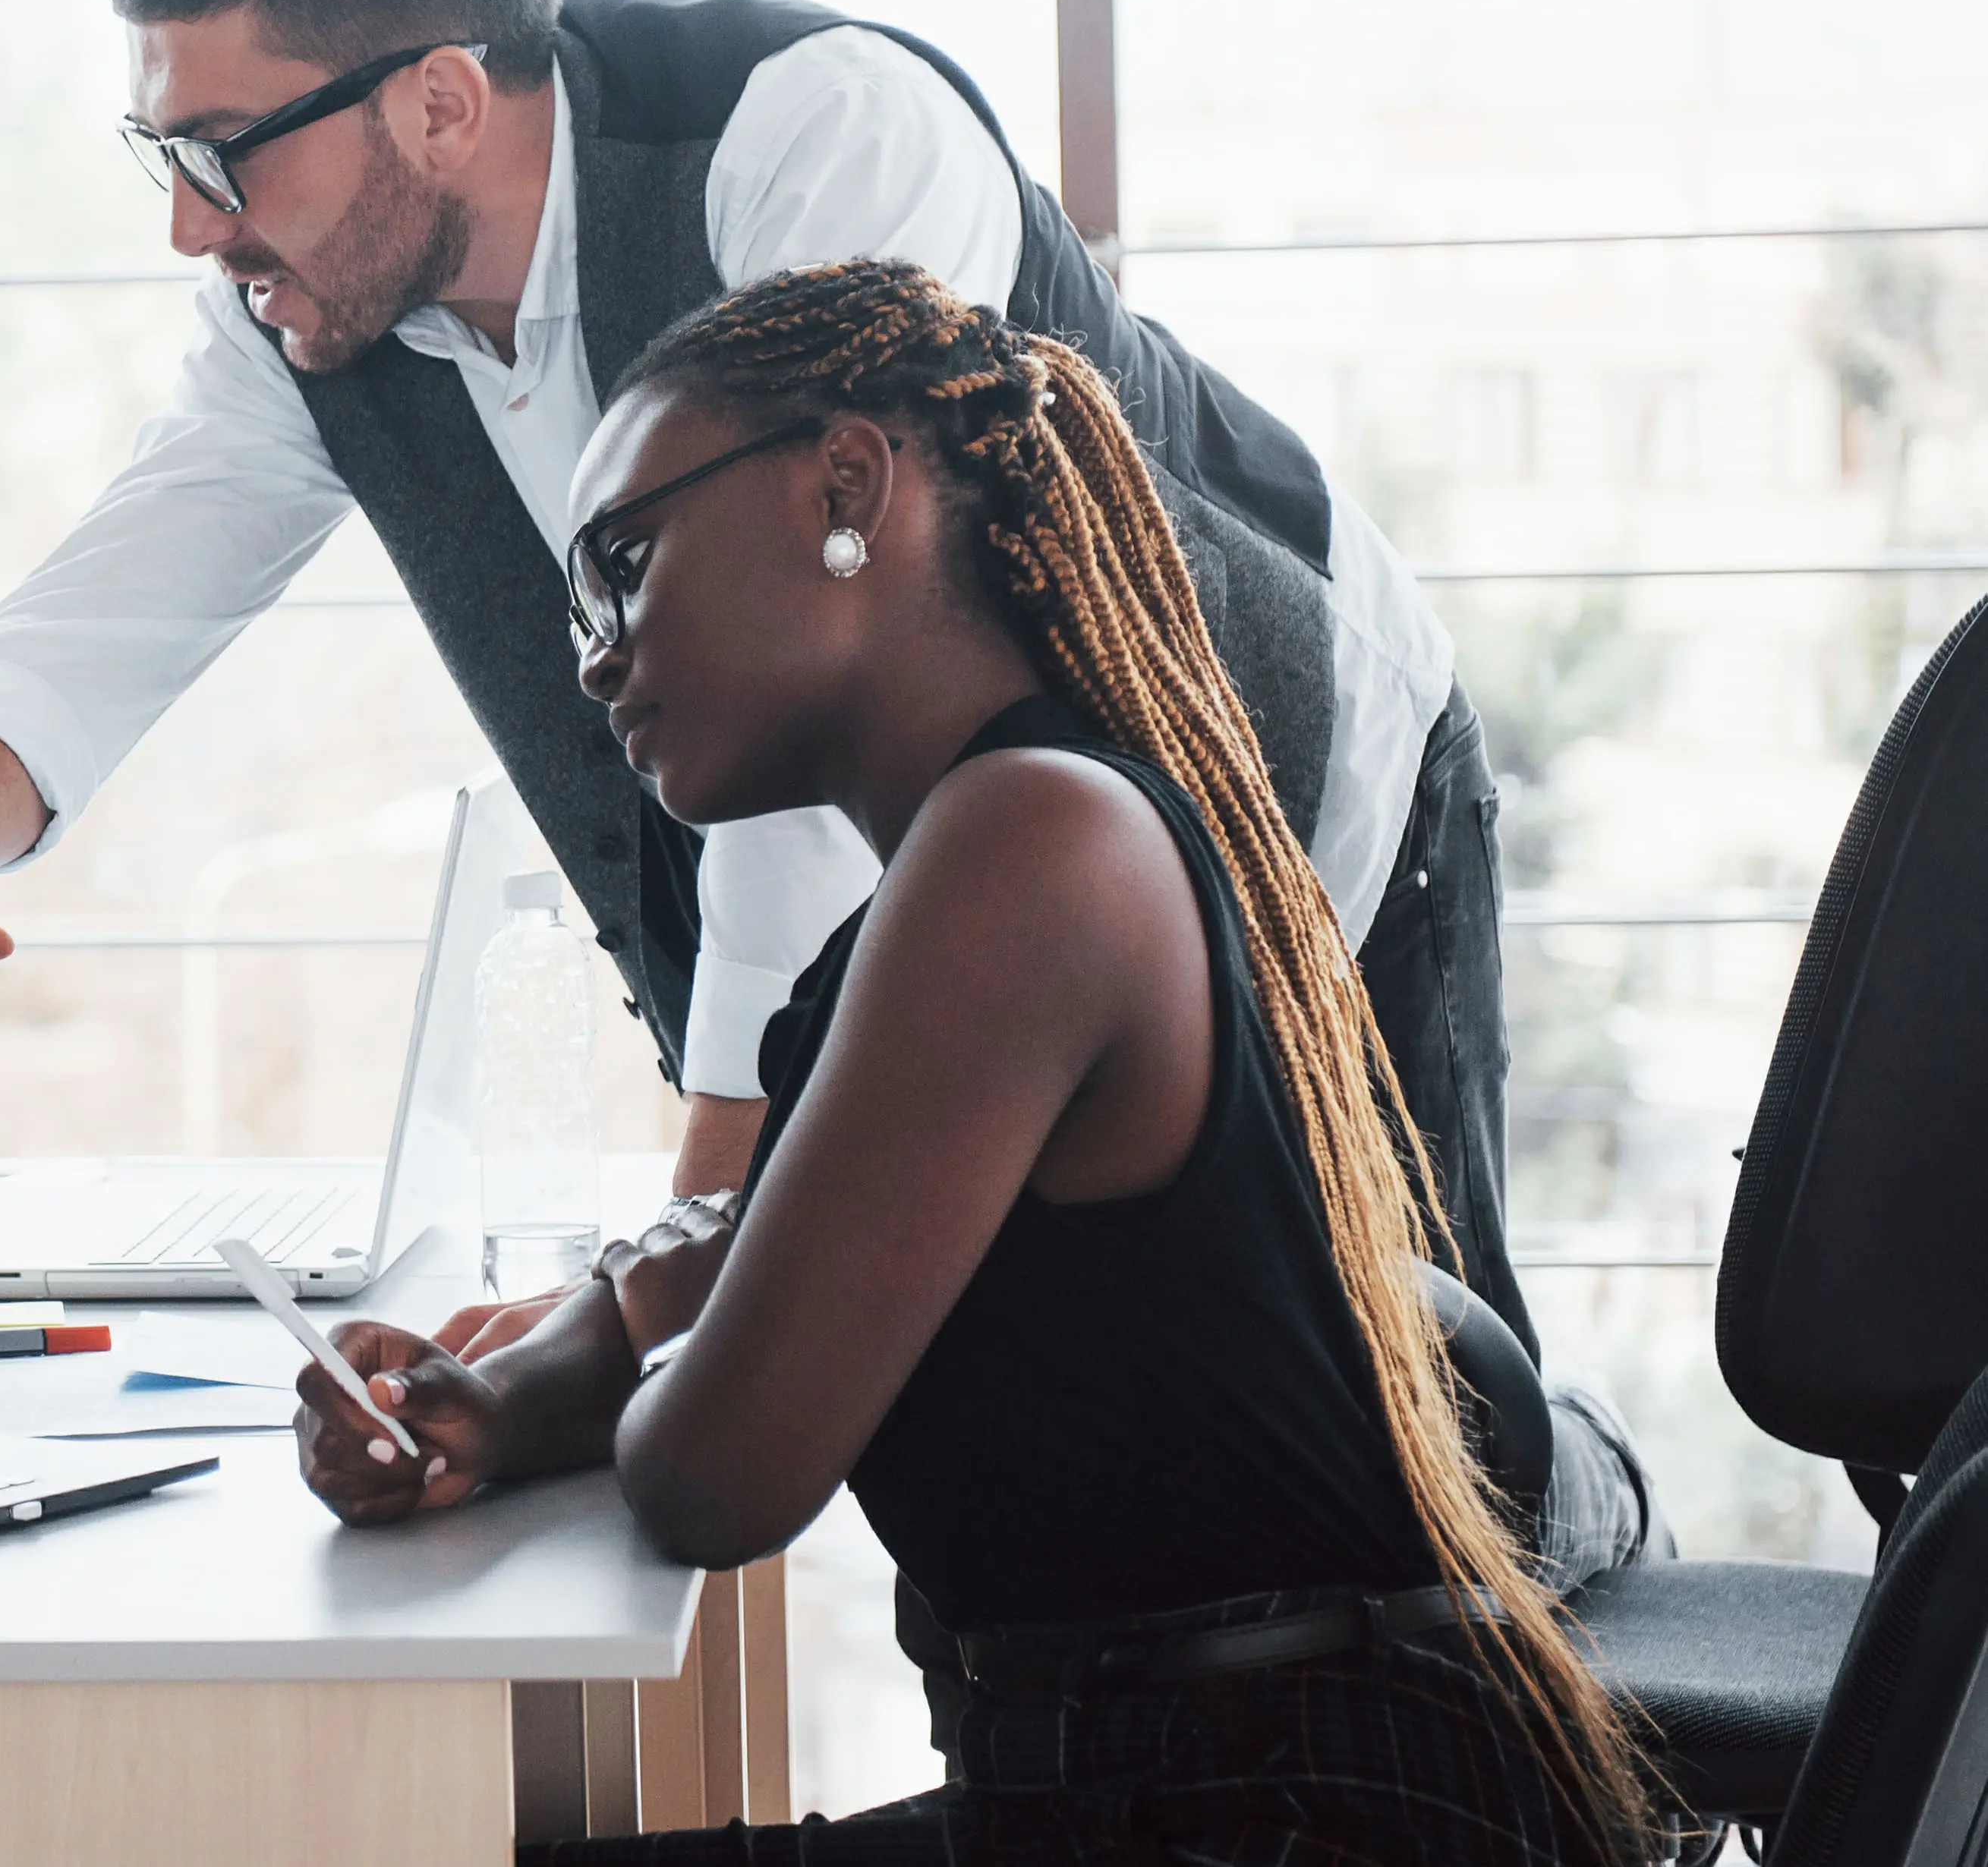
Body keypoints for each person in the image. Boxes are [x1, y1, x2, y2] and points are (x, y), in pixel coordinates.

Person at [0, 0, 1618, 1498]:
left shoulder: (809, 134)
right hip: (958, 961)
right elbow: (127, 589)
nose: (192, 230)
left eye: (222, 156)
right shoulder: (308, 312)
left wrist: (671, 1260)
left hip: (1299, 800)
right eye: (161, 163)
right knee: (1049, 1461)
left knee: (1411, 1471)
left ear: (441, 102)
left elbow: (830, 736)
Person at [297, 257, 1652, 1865]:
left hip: (1274, 1815)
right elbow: (756, 1277)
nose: (591, 657)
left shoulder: (1028, 849)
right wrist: (499, 1396)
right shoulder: (964, 873)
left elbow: (715, 1479)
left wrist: (664, 1310)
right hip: (1148, 1789)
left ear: (845, 483)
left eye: (623, 564)